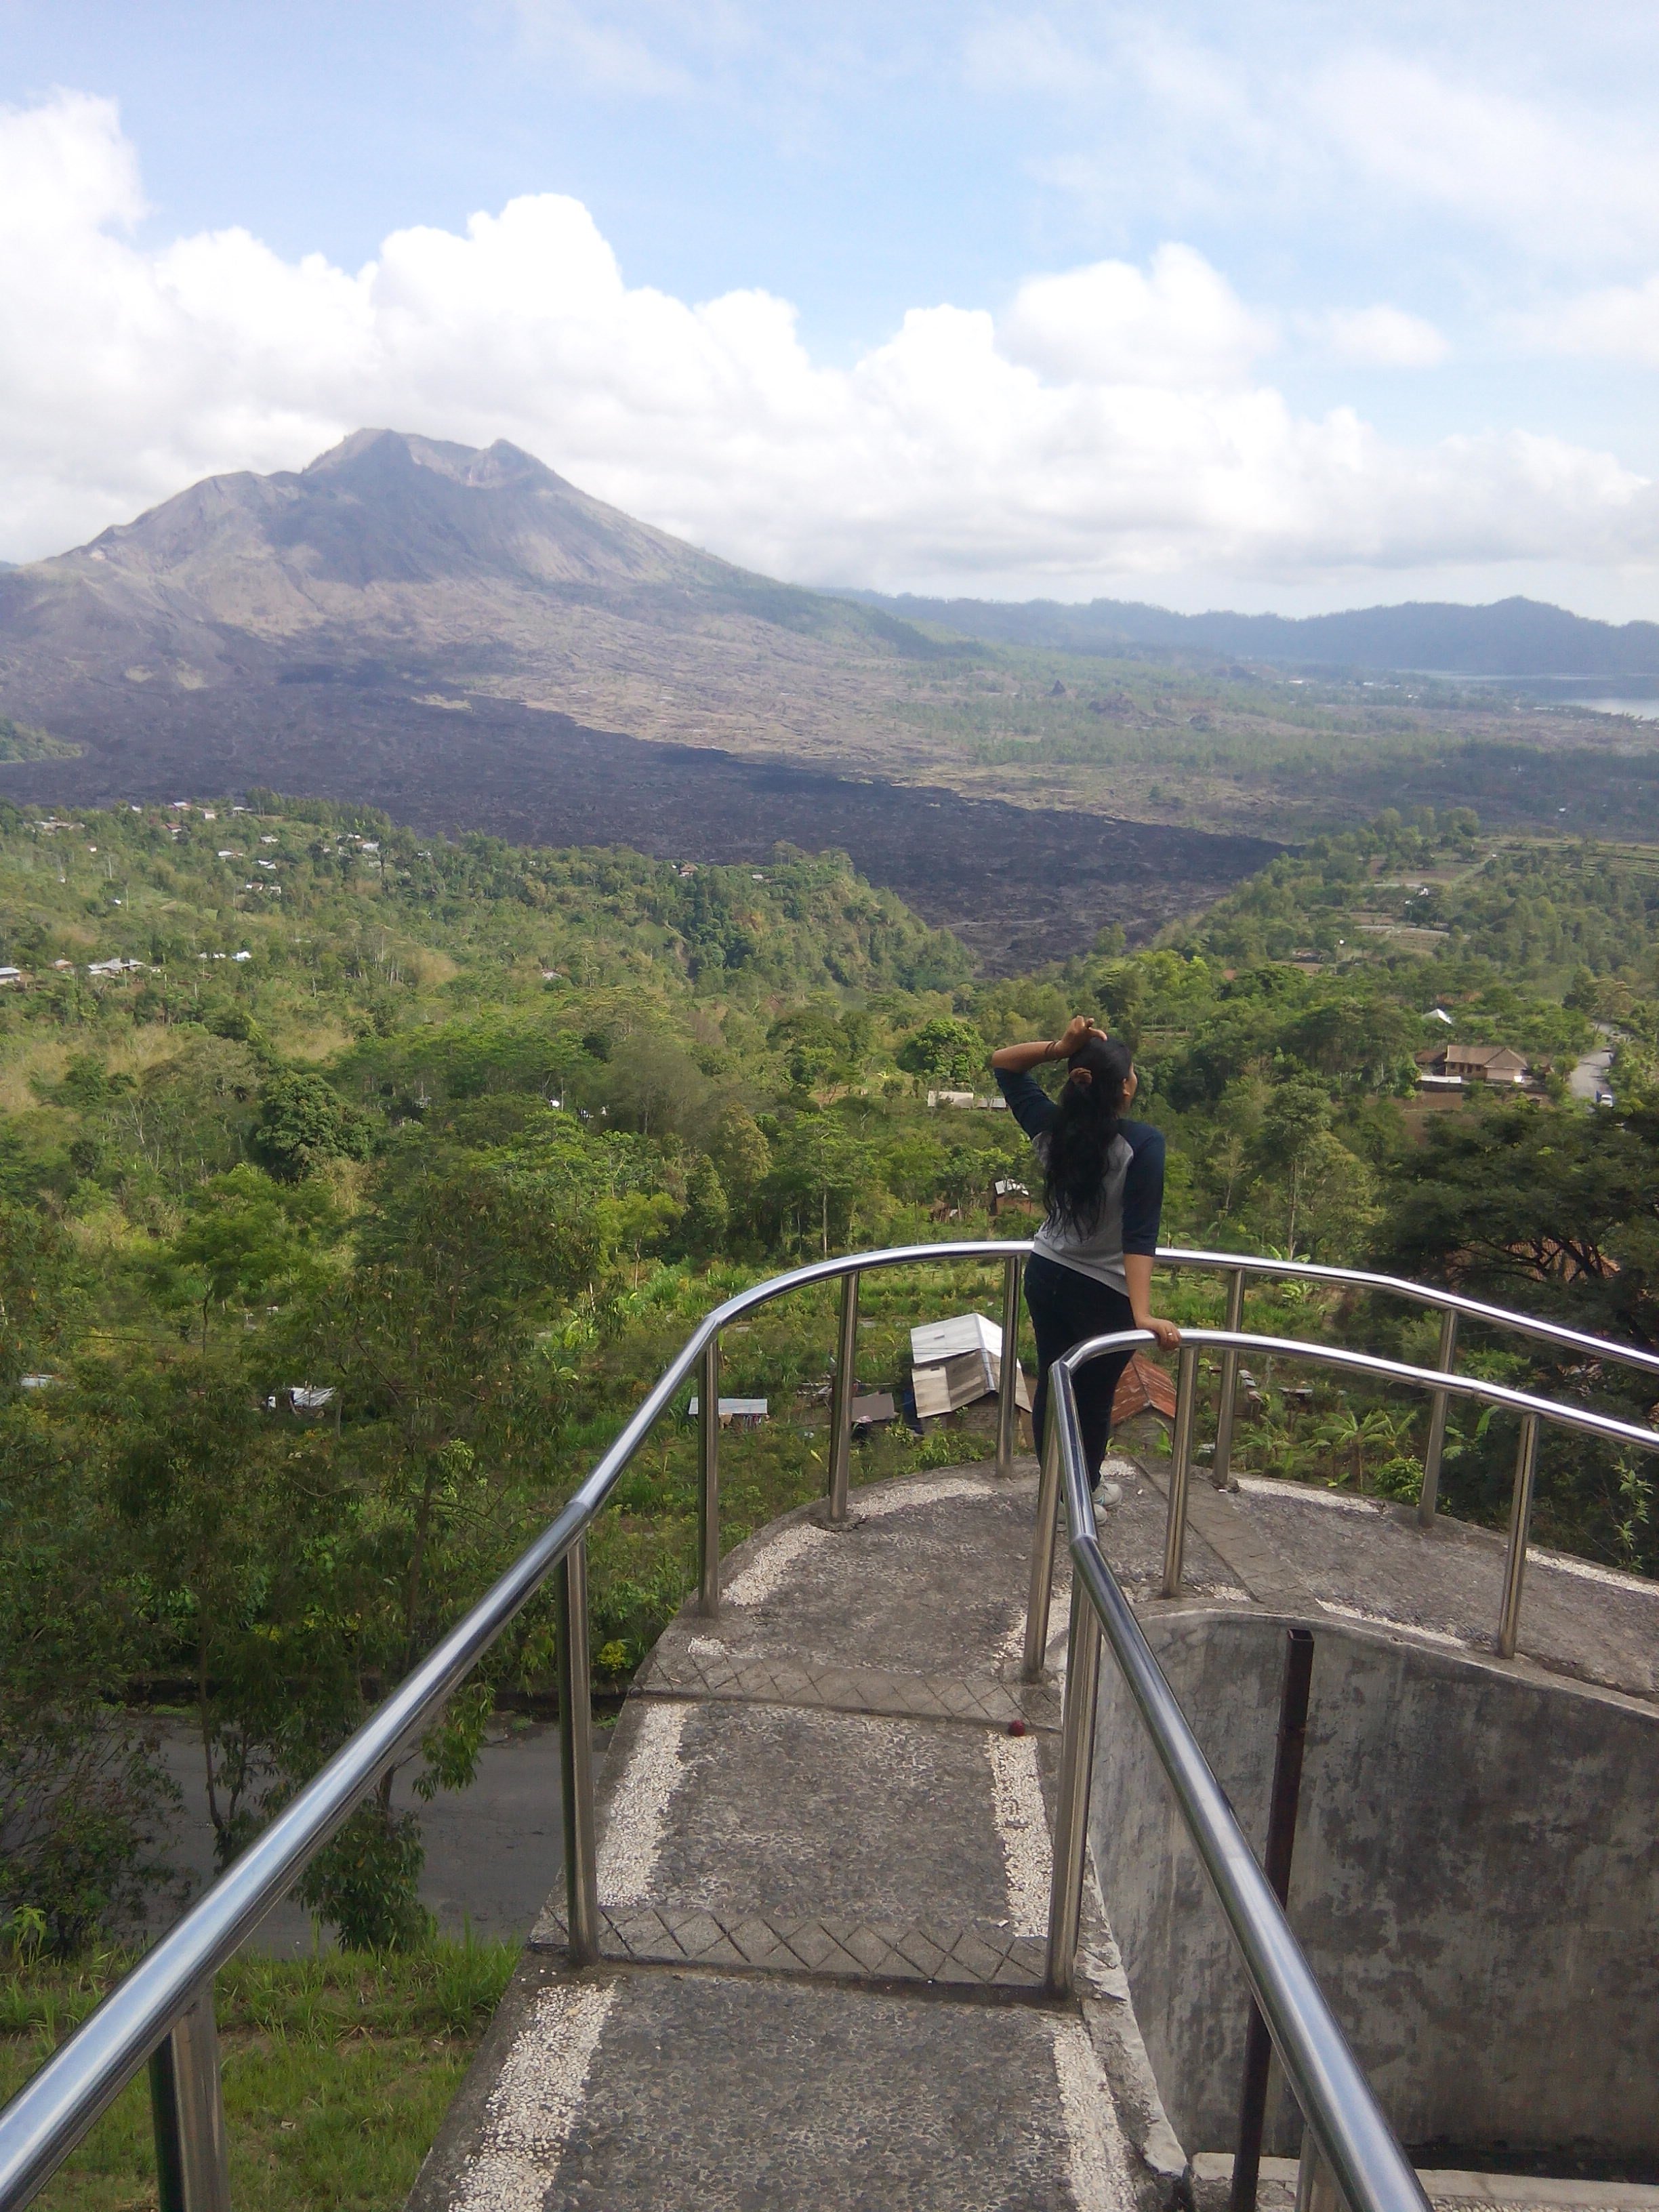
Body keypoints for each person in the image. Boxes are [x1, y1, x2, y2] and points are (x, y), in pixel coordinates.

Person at [991, 1016, 1179, 1504]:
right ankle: (1079, 1498)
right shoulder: (1144, 1145)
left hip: (1047, 1273)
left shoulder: (1054, 1130)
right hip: (1104, 1294)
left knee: (1055, 1382)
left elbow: (1005, 1066)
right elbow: (1140, 1235)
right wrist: (1142, 1313)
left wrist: (1060, 1046)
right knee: (1094, 1400)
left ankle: (1058, 1489)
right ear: (1125, 1089)